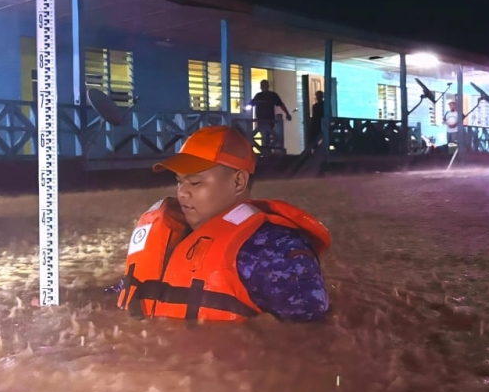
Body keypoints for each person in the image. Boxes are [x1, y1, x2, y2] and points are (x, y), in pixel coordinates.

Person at [117, 126, 331, 322]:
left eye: (195, 182)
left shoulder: (276, 249)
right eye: (179, 181)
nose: (182, 192)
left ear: (239, 182)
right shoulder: (170, 236)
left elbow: (313, 343)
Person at [249, 79, 292, 153]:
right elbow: (251, 104)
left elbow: (281, 104)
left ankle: (266, 152)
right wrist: (245, 108)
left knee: (267, 136)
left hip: (270, 120)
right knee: (264, 136)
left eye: (265, 85)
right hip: (261, 121)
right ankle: (265, 152)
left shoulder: (273, 95)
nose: (263, 87)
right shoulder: (258, 96)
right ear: (260, 87)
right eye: (262, 86)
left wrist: (287, 113)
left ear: (268, 86)